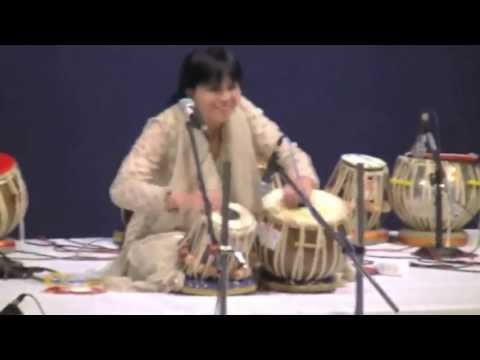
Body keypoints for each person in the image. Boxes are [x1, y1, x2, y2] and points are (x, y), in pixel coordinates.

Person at [103, 47, 322, 293]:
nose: (226, 97)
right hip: (168, 235)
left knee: (289, 253)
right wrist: (180, 200)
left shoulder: (244, 112)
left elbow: (286, 150)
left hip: (236, 235)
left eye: (232, 87)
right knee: (171, 260)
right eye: (214, 89)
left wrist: (302, 178)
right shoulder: (166, 126)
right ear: (190, 92)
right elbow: (122, 188)